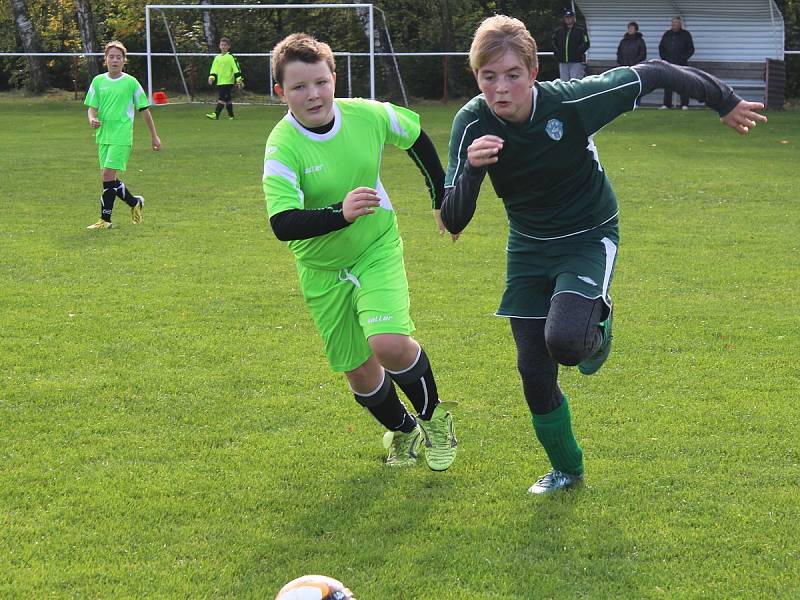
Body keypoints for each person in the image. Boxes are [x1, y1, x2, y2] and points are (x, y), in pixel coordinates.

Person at [441, 15, 766, 494]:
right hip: (528, 246)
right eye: (489, 77)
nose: (501, 88)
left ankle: (598, 323)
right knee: (533, 369)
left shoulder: (573, 101)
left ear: (533, 72)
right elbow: (452, 220)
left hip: (589, 234)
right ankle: (567, 470)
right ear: (477, 77)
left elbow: (655, 72)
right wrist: (470, 171)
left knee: (568, 343)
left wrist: (725, 100)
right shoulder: (471, 121)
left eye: (512, 74)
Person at [263, 33, 458, 470]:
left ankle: (434, 419)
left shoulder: (367, 115)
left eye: (320, 82)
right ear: (281, 93)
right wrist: (339, 212)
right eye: (298, 87)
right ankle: (404, 431)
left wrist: (439, 196)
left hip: (375, 247)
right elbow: (282, 223)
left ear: (334, 77)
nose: (312, 95)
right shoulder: (282, 146)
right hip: (320, 269)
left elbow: (416, 137)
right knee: (360, 372)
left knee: (387, 343)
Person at [84, 41, 161, 230]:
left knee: (107, 174)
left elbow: (144, 110)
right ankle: (134, 202)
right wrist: (92, 118)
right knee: (109, 179)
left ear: (124, 61)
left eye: (119, 57)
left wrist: (154, 136)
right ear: (105, 59)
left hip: (122, 135)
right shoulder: (98, 81)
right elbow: (91, 108)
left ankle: (105, 220)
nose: (115, 60)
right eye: (111, 56)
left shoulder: (131, 82)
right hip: (103, 135)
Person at [659, 16, 695, 109]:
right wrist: (664, 59)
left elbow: (691, 49)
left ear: (680, 24)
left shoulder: (686, 34)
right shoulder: (667, 34)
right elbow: (661, 47)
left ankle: (684, 104)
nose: (673, 24)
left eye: (676, 23)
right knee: (668, 84)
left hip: (681, 64)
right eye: (673, 23)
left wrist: (683, 58)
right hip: (668, 63)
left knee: (683, 84)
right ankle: (667, 104)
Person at [206, 37, 244, 120]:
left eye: (225, 45)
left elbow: (236, 69)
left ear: (228, 46)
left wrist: (239, 80)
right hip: (220, 82)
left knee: (221, 98)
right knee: (228, 99)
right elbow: (214, 69)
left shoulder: (230, 57)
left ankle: (216, 114)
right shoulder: (217, 58)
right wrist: (211, 77)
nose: (223, 47)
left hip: (228, 82)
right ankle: (231, 116)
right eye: (222, 45)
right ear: (219, 46)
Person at [551, 8, 590, 80]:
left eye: (570, 17)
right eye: (566, 17)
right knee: (564, 83)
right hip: (562, 62)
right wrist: (557, 53)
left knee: (575, 82)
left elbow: (586, 43)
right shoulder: (559, 30)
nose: (568, 19)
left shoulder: (581, 30)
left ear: (573, 18)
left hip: (576, 61)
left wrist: (578, 52)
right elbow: (553, 43)